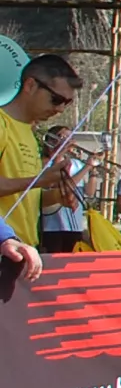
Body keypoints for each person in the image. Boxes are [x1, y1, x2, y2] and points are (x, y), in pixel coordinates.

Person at [0, 54, 79, 246]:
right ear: (30, 86)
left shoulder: (29, 133)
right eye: (56, 99)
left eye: (66, 103)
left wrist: (58, 196)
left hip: (23, 249)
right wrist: (41, 179)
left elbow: (25, 197)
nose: (60, 109)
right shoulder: (2, 124)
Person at [37, 128, 87, 251]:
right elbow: (58, 184)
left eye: (69, 138)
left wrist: (93, 172)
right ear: (51, 140)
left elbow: (89, 192)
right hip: (52, 225)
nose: (67, 141)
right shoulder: (43, 163)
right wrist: (88, 167)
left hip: (74, 224)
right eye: (62, 137)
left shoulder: (76, 163)